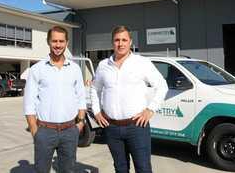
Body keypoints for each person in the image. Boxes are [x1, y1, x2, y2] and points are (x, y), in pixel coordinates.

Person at [90, 25, 168, 173]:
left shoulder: (141, 63)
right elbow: (94, 88)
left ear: (130, 42)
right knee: (120, 168)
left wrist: (150, 110)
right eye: (117, 40)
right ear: (112, 42)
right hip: (112, 127)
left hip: (136, 127)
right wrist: (97, 112)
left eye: (124, 40)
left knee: (143, 168)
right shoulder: (103, 66)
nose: (121, 44)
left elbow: (162, 85)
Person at [23, 25, 86, 173]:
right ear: (48, 42)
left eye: (61, 41)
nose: (58, 45)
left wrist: (80, 123)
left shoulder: (75, 69)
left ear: (67, 43)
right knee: (42, 170)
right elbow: (29, 102)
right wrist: (35, 130)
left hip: (70, 130)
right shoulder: (37, 69)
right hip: (45, 131)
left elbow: (81, 97)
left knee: (68, 170)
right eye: (54, 41)